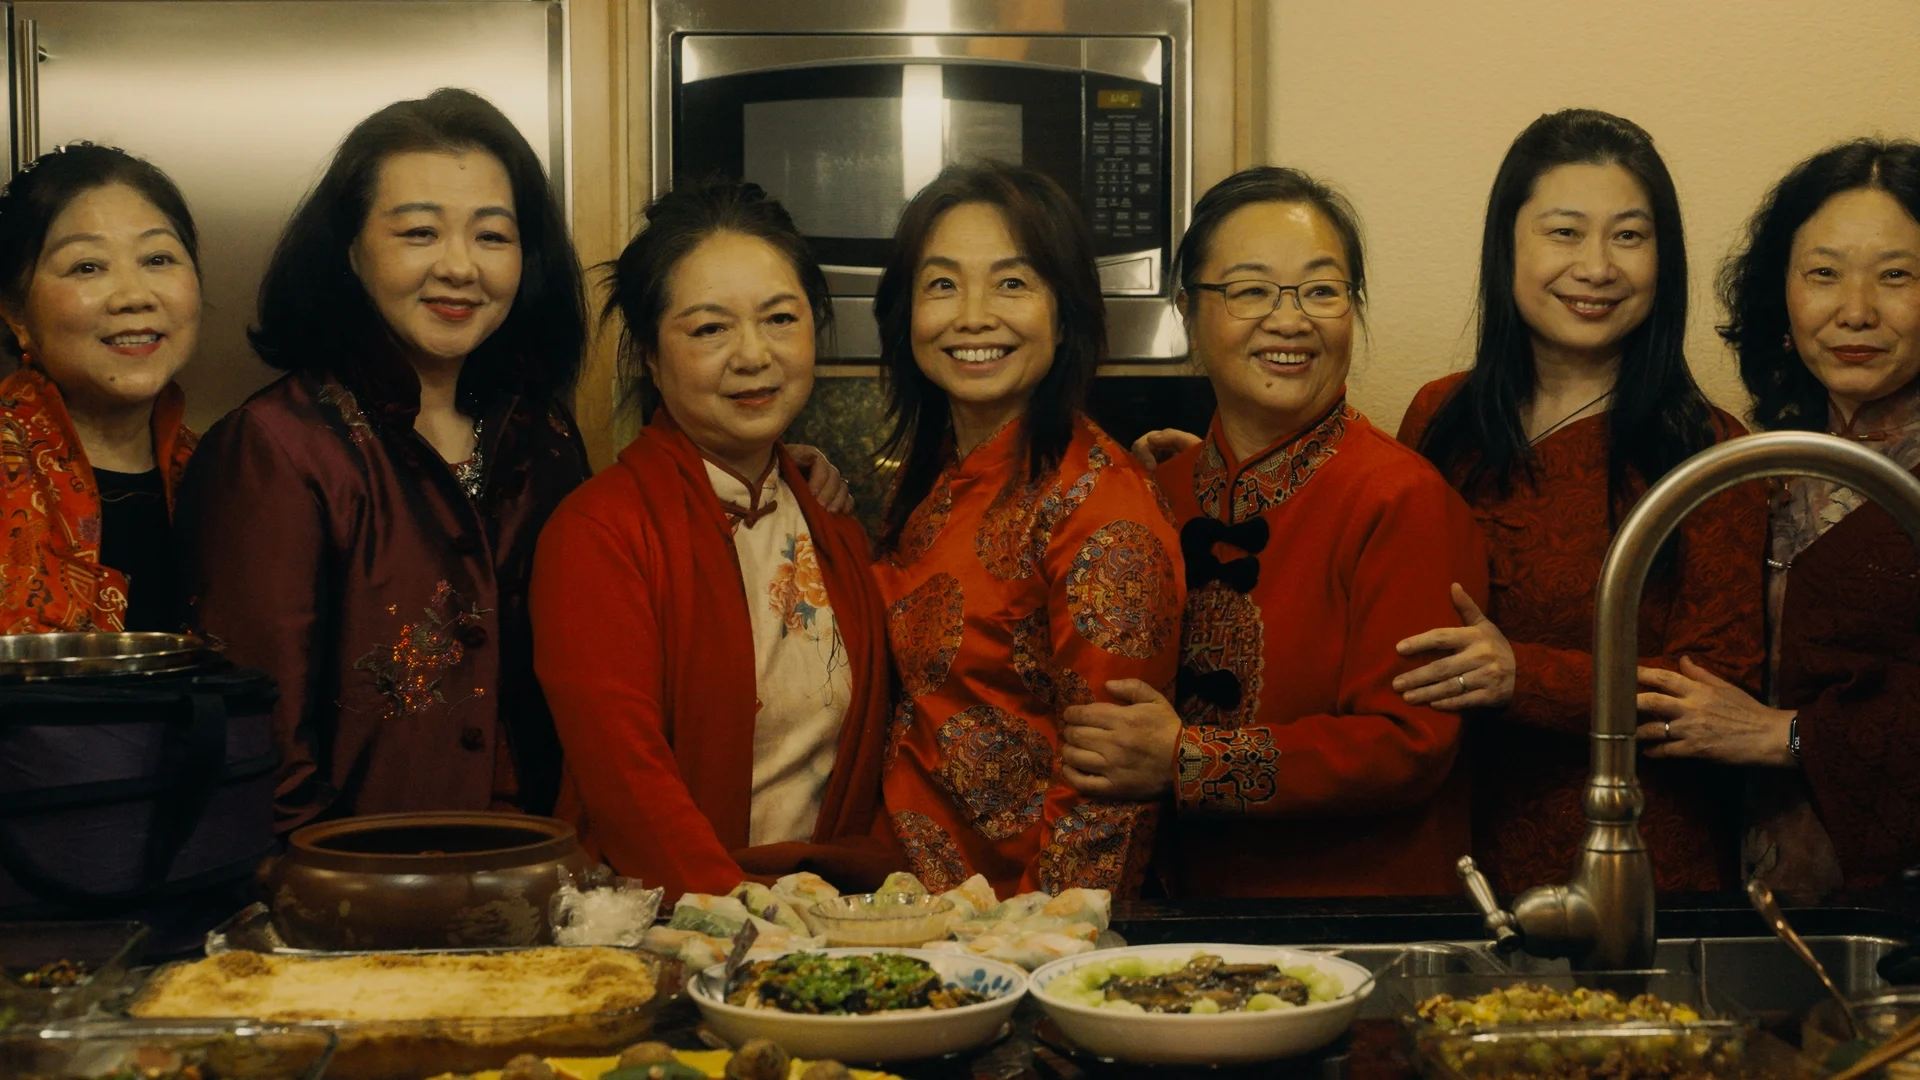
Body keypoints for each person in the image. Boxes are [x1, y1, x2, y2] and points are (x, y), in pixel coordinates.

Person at [1062, 166, 1487, 897]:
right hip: (1177, 919)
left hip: (1355, 922)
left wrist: (1187, 759)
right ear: (1190, 312)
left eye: (1322, 291)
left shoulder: (1402, 497)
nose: (1290, 320)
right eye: (1251, 290)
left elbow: (1409, 745)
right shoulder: (1154, 493)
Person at [174, 89, 592, 830]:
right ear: (350, 250)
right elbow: (261, 740)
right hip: (350, 894)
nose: (460, 267)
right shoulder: (278, 446)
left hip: (538, 873)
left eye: (493, 237)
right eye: (420, 233)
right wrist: (324, 900)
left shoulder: (544, 436)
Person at [1395, 109, 1766, 894]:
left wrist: (1518, 675)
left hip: (1641, 862)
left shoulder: (1707, 448)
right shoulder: (1440, 416)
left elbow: (1714, 688)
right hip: (1452, 851)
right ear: (1509, 246)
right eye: (1564, 232)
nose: (1597, 266)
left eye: (1629, 236)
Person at [529, 180, 897, 900]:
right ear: (648, 356)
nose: (754, 355)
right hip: (672, 924)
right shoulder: (597, 534)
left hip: (828, 923)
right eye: (708, 329)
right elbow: (628, 785)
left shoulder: (832, 527)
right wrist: (741, 925)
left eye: (780, 319)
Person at [873, 162, 1183, 897]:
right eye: (942, 284)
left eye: (1012, 283)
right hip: (910, 912)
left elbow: (1106, 797)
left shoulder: (1103, 508)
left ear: (1064, 313)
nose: (972, 315)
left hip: (1012, 935)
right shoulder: (932, 476)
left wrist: (1043, 961)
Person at [1658, 138, 1920, 897]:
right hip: (1759, 891)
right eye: (1824, 274)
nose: (1856, 310)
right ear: (1783, 294)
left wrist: (1790, 736)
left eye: (1897, 276)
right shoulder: (1760, 460)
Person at [0, 144, 202, 634]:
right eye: (87, 267)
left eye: (158, 258)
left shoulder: (223, 471)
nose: (134, 296)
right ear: (17, 315)